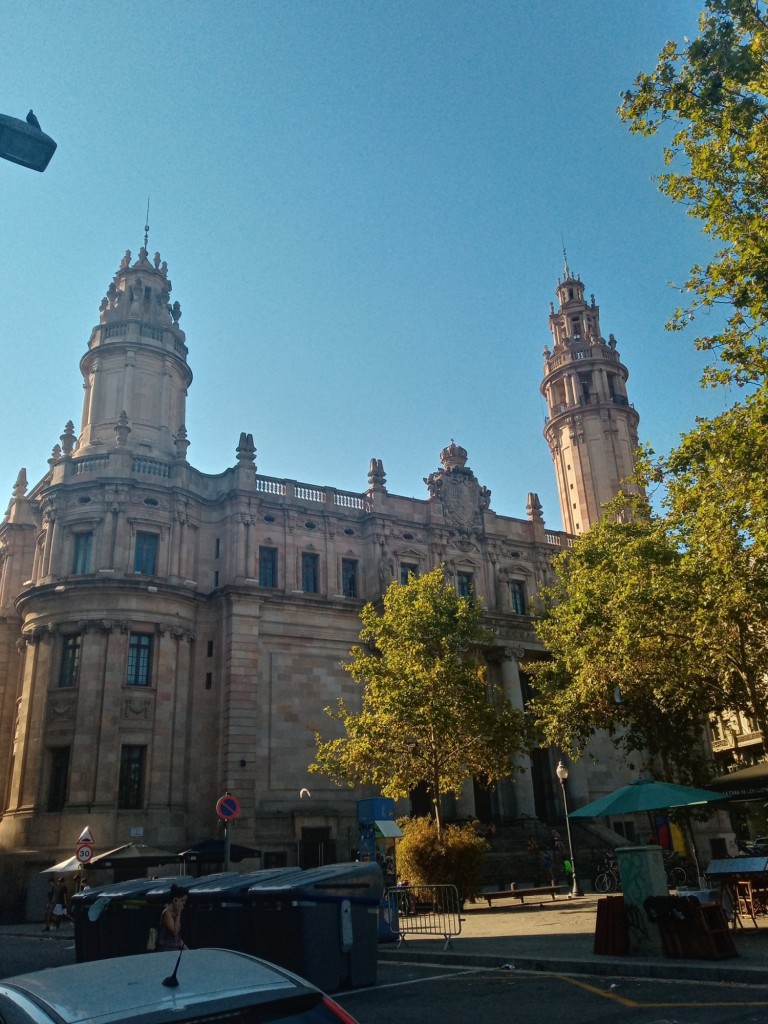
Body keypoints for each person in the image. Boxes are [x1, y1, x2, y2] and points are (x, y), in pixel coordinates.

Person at [155, 884, 189, 951]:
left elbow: (177, 937)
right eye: (182, 900)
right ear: (175, 900)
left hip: (175, 948)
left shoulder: (174, 914)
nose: (184, 903)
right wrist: (178, 913)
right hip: (166, 949)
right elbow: (174, 932)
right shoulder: (167, 913)